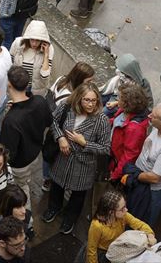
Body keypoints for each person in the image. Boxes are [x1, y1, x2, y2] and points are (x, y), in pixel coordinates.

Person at [44, 82, 112, 231]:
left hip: (84, 164)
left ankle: (70, 219)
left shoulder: (102, 121)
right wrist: (60, 137)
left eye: (94, 100)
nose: (90, 104)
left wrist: (84, 143)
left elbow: (105, 148)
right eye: (87, 100)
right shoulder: (66, 108)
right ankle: (53, 208)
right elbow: (53, 121)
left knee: (78, 195)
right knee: (56, 186)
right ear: (79, 99)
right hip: (63, 157)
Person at [0, 65, 47, 210]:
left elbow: (8, 153)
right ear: (27, 84)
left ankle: (26, 219)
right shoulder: (40, 101)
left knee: (20, 191)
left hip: (19, 165)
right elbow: (48, 122)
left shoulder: (11, 120)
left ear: (9, 84)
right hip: (35, 155)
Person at [86, 189, 155, 263]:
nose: (126, 210)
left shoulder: (123, 216)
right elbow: (91, 250)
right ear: (111, 212)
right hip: (102, 254)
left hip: (117, 249)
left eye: (125, 206)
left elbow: (140, 224)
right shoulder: (97, 226)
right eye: (122, 209)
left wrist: (150, 235)